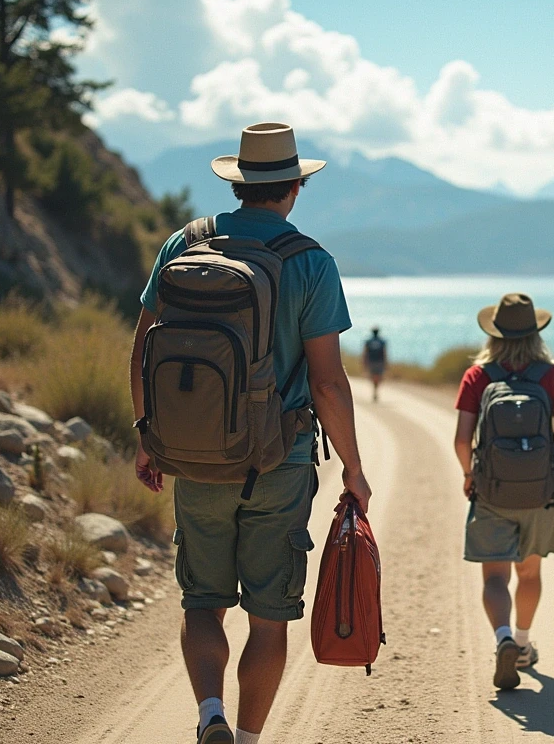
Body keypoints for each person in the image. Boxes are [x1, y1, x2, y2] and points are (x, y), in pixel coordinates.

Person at [128, 123, 372, 744]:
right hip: (278, 461)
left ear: (237, 184)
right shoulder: (311, 262)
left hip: (196, 455)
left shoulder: (184, 243)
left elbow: (144, 348)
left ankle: (210, 713)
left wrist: (147, 437)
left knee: (201, 603)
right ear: (295, 187)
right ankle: (246, 739)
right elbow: (327, 383)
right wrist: (353, 468)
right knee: (268, 618)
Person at [452, 293, 554, 690]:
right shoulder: (553, 375)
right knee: (529, 572)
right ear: (535, 332)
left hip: (493, 492)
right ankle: (524, 645)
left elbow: (461, 439)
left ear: (494, 333)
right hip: (539, 493)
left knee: (495, 576)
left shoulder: (478, 376)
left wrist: (469, 474)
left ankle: (503, 638)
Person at [362, 326, 388, 401]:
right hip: (379, 362)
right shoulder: (382, 342)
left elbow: (365, 353)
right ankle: (375, 390)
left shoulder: (368, 341)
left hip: (371, 362)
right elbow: (384, 353)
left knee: (373, 376)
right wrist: (386, 363)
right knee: (378, 377)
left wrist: (364, 362)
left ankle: (375, 390)